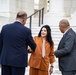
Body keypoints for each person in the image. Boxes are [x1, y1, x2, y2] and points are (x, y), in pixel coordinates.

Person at [0, 11, 36, 75]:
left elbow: (0, 45)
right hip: (18, 62)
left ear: (16, 17)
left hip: (5, 60)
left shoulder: (5, 28)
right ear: (24, 20)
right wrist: (29, 48)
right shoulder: (26, 30)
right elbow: (33, 46)